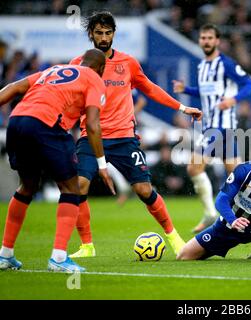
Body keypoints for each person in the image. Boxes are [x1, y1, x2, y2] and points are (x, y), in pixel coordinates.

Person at [69, 11, 202, 258]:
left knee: (143, 190)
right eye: (99, 33)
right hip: (91, 137)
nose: (104, 38)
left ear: (114, 34)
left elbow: (150, 89)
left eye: (108, 33)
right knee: (79, 187)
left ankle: (174, 238)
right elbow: (68, 99)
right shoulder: (78, 64)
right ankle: (87, 246)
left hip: (124, 138)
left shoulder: (128, 63)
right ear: (91, 34)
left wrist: (182, 107)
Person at [0, 49, 115, 272]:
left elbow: (13, 88)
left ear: (81, 61)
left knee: (27, 187)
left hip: (16, 122)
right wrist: (102, 164)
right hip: (47, 124)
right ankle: (59, 258)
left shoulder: (53, 70)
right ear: (100, 69)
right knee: (72, 188)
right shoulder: (94, 79)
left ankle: (5, 254)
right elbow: (92, 124)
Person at [172, 23, 251, 233]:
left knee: (193, 167)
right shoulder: (202, 66)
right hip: (216, 127)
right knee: (239, 178)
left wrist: (233, 99)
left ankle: (210, 213)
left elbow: (249, 85)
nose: (206, 41)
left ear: (217, 41)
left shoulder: (226, 64)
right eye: (203, 38)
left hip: (220, 127)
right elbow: (205, 92)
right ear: (199, 41)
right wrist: (186, 90)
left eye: (210, 38)